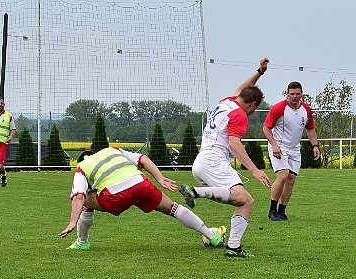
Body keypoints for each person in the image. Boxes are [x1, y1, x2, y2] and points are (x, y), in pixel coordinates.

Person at [179, 57, 272, 258]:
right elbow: (234, 144)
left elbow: (243, 88)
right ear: (253, 105)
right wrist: (255, 171)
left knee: (245, 200)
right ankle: (196, 192)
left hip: (202, 161)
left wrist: (260, 71)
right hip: (214, 161)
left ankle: (233, 247)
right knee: (244, 199)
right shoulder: (239, 115)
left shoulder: (226, 102)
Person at [58, 147, 226, 250]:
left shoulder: (81, 168)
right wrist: (160, 179)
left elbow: (79, 196)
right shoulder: (112, 150)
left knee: (87, 202)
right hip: (140, 184)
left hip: (115, 196)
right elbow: (142, 159)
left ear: (80, 161)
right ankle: (211, 235)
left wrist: (73, 221)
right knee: (173, 208)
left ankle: (82, 242)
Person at [263, 81, 320, 221]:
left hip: (294, 148)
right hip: (279, 147)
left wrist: (315, 146)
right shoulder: (278, 108)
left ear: (302, 94)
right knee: (282, 176)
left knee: (291, 179)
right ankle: (272, 211)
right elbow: (266, 128)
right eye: (292, 93)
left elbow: (310, 129)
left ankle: (282, 211)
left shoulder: (306, 110)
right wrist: (274, 145)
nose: (295, 96)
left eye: (297, 94)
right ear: (287, 94)